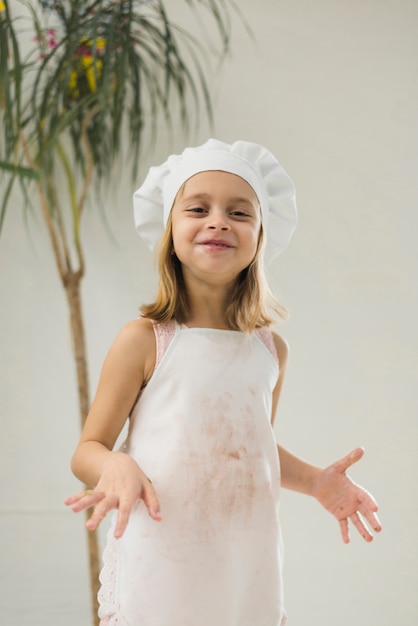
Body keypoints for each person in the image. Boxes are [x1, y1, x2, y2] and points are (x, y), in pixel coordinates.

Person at [65, 139, 382, 626]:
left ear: (260, 236)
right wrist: (115, 466)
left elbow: (254, 447)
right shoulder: (145, 340)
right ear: (171, 230)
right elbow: (87, 449)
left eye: (239, 212)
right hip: (164, 555)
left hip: (243, 559)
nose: (218, 221)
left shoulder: (270, 350)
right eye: (198, 208)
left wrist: (316, 481)